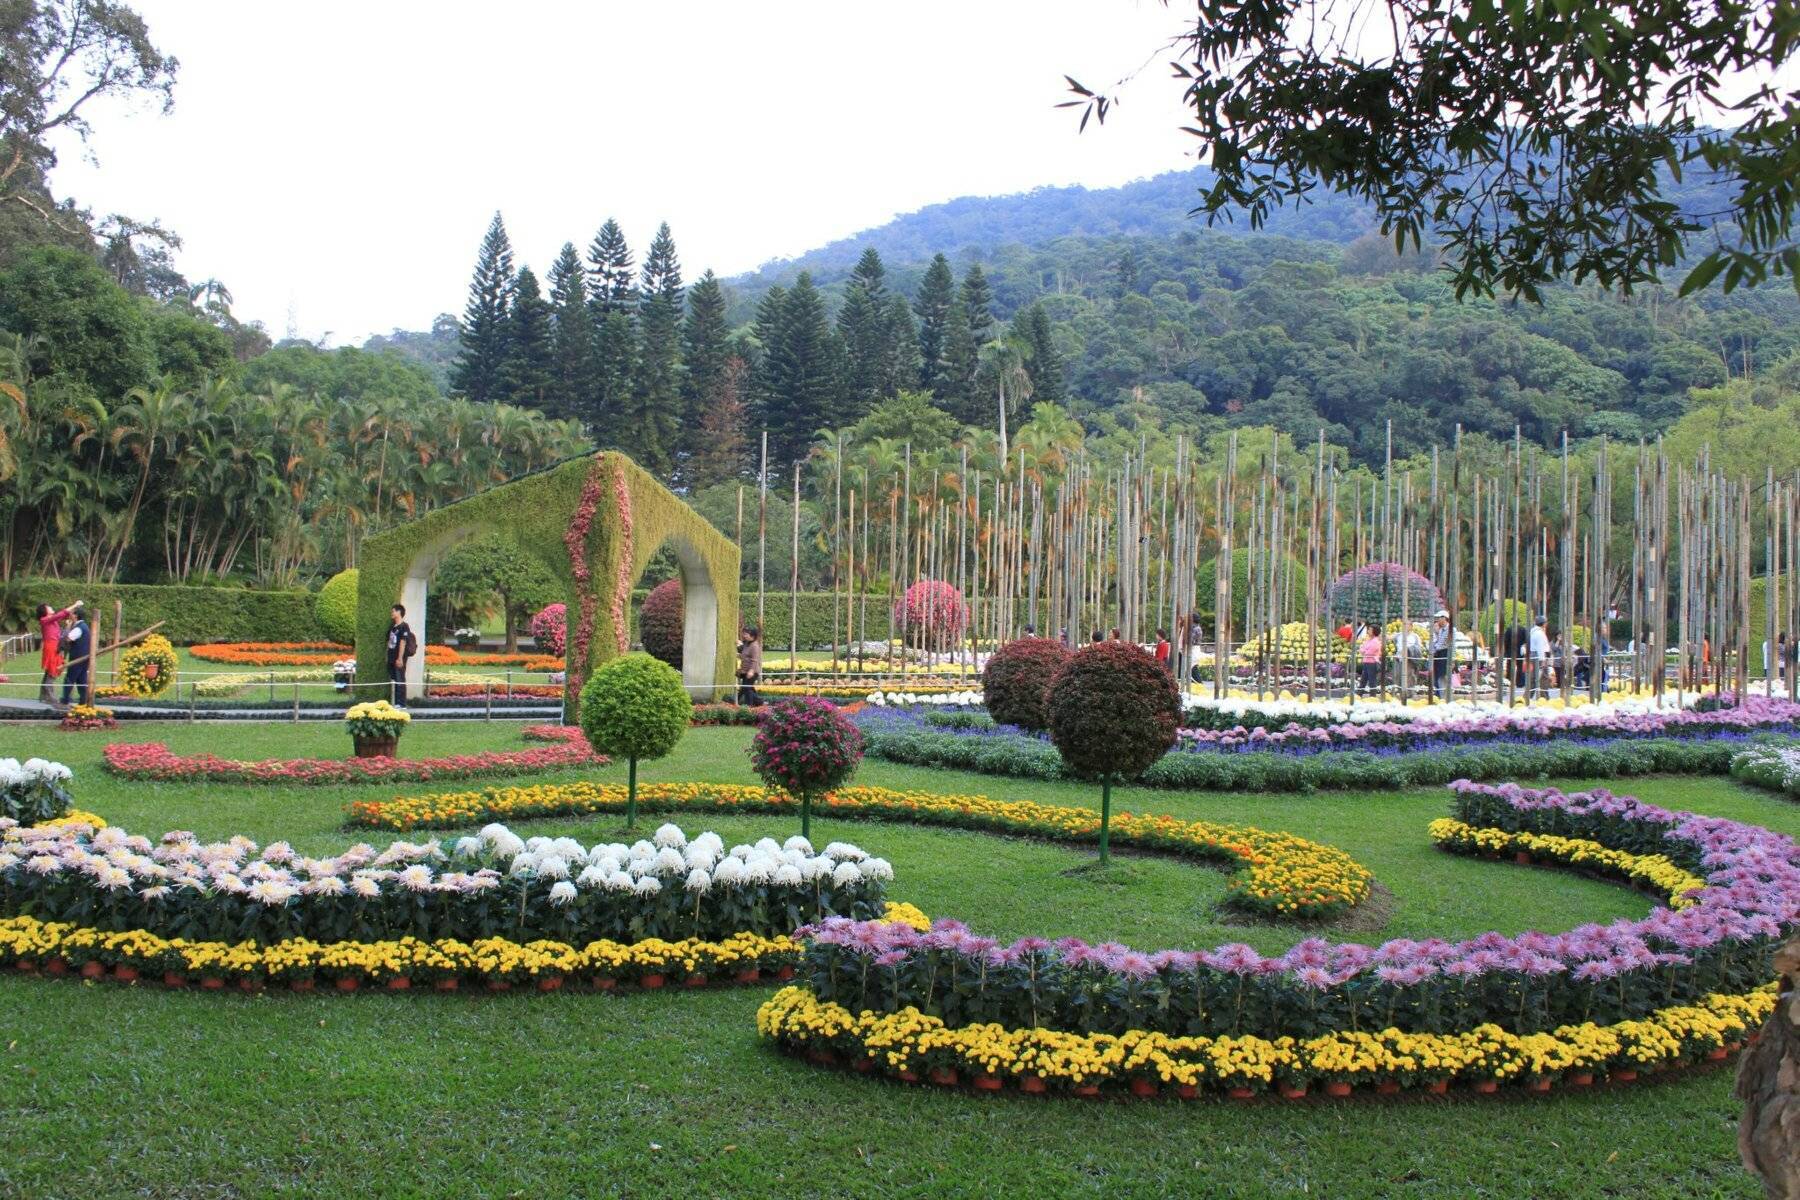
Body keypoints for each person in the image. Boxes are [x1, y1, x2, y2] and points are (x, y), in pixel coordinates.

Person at [35, 599, 80, 707]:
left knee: (50, 671)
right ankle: (50, 696)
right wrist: (75, 604)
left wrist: (75, 608)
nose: (51, 607)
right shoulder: (45, 619)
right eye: (49, 607)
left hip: (54, 646)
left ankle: (43, 696)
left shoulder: (51, 620)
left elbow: (64, 615)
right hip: (51, 646)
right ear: (44, 611)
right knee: (53, 669)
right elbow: (61, 614)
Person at [58, 604, 91, 708]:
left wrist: (66, 628)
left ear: (76, 616)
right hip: (84, 657)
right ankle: (83, 701)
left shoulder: (79, 628)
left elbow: (68, 638)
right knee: (81, 679)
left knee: (69, 678)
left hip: (77, 657)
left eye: (71, 613)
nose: (69, 614)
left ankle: (65, 700)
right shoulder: (83, 626)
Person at [385, 603, 417, 707]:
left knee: (400, 679)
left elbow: (403, 642)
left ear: (399, 612)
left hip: (399, 658)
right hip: (391, 657)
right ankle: (396, 702)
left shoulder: (404, 626)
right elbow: (388, 641)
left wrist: (400, 658)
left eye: (393, 611)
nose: (392, 613)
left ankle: (401, 703)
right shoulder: (392, 626)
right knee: (395, 679)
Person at [1428, 609, 1452, 701]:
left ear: (1444, 618)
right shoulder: (1441, 630)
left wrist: (1452, 659)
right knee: (1438, 675)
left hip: (1445, 653)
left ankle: (1445, 696)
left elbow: (1445, 644)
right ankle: (1439, 695)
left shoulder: (1450, 629)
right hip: (1439, 654)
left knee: (1444, 675)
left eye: (1439, 618)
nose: (1437, 620)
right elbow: (1438, 642)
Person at [736, 625, 763, 706]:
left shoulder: (755, 646)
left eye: (746, 634)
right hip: (745, 671)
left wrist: (751, 671)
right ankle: (759, 702)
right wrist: (739, 655)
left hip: (752, 672)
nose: (744, 635)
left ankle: (749, 705)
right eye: (744, 633)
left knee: (747, 689)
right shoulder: (747, 644)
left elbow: (755, 660)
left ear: (752, 636)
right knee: (748, 688)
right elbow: (745, 655)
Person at [1528, 615, 1552, 699]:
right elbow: (1540, 647)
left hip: (1534, 655)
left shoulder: (1533, 631)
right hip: (1539, 655)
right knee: (1543, 677)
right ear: (1544, 624)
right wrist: (1543, 660)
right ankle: (1544, 697)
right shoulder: (1539, 633)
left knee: (1534, 677)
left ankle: (1528, 696)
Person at [1357, 626, 1383, 693]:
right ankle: (1359, 694)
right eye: (1368, 629)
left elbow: (1369, 653)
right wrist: (1364, 650)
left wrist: (1364, 650)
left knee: (1372, 681)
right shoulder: (1369, 640)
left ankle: (1373, 696)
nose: (1368, 630)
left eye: (1370, 630)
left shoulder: (1375, 641)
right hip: (1366, 661)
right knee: (1363, 679)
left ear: (1374, 631)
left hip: (1372, 662)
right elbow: (1362, 649)